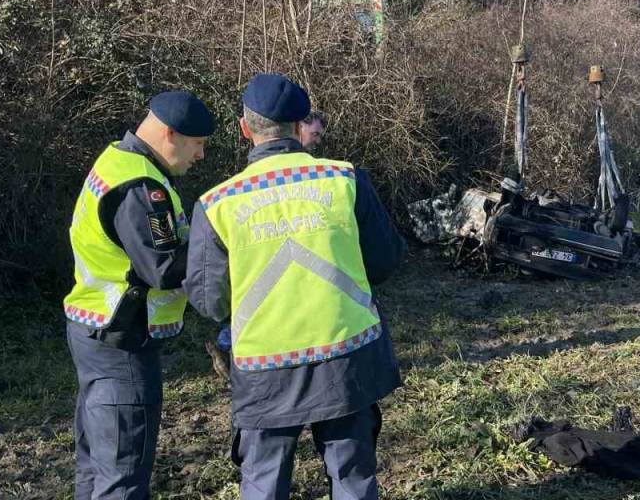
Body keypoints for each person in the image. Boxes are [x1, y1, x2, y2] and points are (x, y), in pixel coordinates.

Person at [185, 73, 404, 500]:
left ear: (245, 129)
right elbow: (385, 261)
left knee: (264, 483)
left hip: (263, 371)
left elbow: (210, 301)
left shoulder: (216, 204)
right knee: (353, 480)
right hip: (346, 361)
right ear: (300, 124)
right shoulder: (345, 180)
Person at [62, 90, 215, 499]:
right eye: (197, 144)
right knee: (122, 472)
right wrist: (215, 243)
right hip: (123, 343)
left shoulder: (117, 160)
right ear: (169, 133)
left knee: (96, 465)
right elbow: (163, 267)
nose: (200, 155)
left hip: (95, 331)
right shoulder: (142, 187)